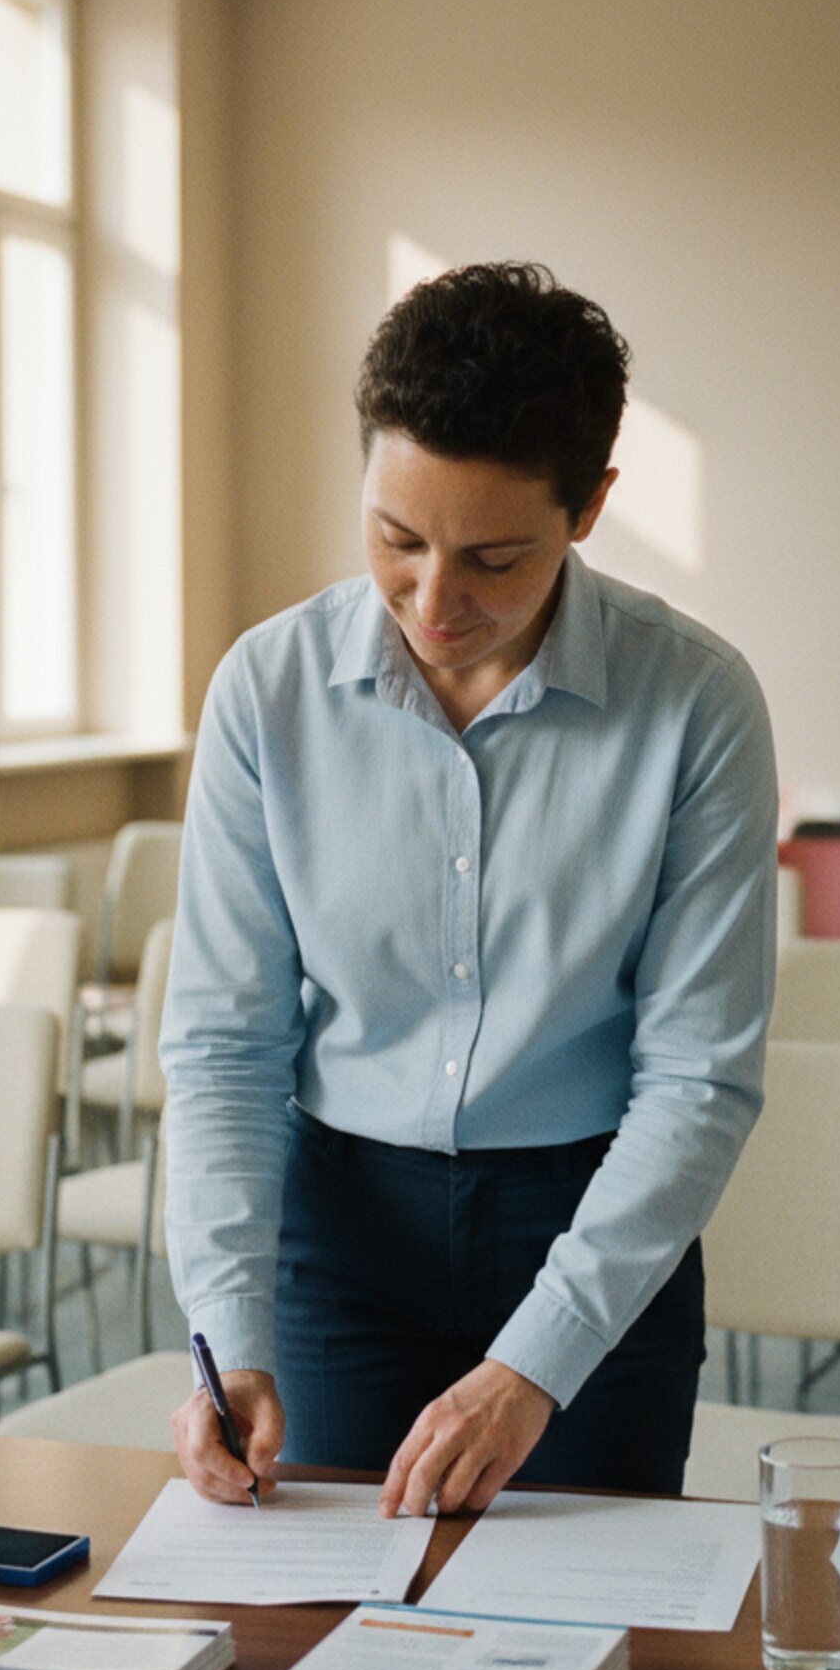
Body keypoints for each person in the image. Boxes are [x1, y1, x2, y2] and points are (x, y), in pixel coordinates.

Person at [163, 261, 776, 1520]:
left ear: (589, 506)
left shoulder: (695, 703)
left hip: (591, 1223)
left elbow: (696, 1078)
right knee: (320, 1602)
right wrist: (231, 1330)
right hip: (340, 1234)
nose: (434, 602)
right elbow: (224, 1043)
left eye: (493, 557)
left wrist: (535, 1361)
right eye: (396, 539)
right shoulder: (266, 691)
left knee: (588, 1612)